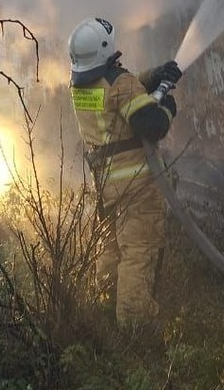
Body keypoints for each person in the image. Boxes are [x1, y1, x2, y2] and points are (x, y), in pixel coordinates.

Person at [67, 16, 182, 327]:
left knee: (110, 246)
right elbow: (153, 126)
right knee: (138, 250)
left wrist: (156, 75)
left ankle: (104, 303)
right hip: (137, 183)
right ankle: (134, 326)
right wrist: (168, 108)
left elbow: (120, 91)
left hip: (106, 183)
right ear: (106, 47)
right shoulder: (121, 84)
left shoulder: (82, 86)